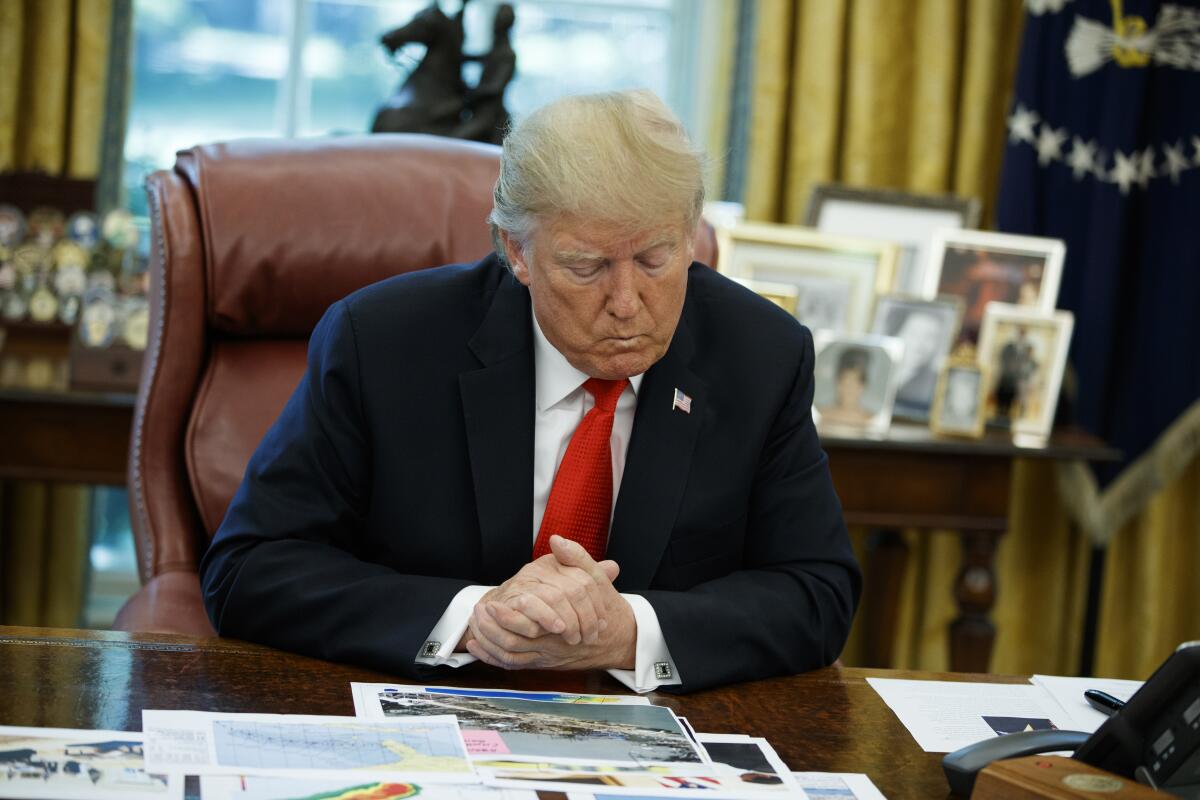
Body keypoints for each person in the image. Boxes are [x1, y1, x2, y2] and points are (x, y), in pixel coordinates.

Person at [200, 90, 860, 694]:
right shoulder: (381, 343)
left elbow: (817, 590)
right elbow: (250, 567)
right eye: (587, 266)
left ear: (690, 237)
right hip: (428, 705)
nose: (627, 302)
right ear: (517, 252)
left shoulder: (761, 355)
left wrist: (629, 632)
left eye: (655, 259)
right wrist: (473, 617)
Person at [888, 308, 945, 418]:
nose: (920, 344)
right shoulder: (877, 372)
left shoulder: (934, 385)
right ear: (897, 333)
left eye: (929, 337)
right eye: (914, 334)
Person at [817, 347, 875, 427]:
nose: (849, 390)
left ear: (862, 386)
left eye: (854, 384)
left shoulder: (871, 420)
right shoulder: (821, 414)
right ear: (838, 384)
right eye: (845, 383)